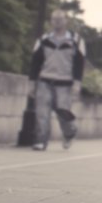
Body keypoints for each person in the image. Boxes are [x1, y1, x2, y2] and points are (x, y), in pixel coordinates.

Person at [28, 10, 85, 150]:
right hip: (45, 80)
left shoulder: (76, 40)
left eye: (60, 19)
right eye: (54, 19)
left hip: (65, 83)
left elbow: (80, 63)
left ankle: (69, 132)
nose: (57, 22)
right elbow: (35, 62)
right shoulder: (44, 39)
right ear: (51, 21)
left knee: (63, 113)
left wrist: (77, 83)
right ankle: (41, 141)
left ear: (66, 21)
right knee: (42, 112)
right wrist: (31, 82)